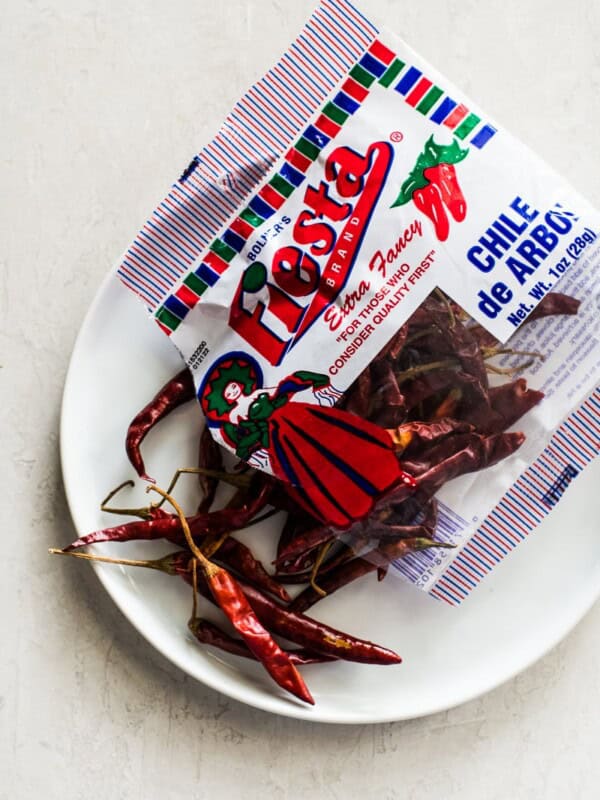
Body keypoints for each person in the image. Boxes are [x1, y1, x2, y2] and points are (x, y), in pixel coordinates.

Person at [199, 354, 414, 528]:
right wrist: (249, 448)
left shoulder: (261, 393)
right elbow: (246, 437)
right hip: (283, 440)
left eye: (233, 385)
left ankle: (386, 477)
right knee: (315, 471)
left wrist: (314, 382)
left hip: (301, 418)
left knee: (345, 444)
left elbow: (285, 388)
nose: (232, 390)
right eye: (227, 391)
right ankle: (352, 505)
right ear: (224, 399)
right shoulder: (237, 415)